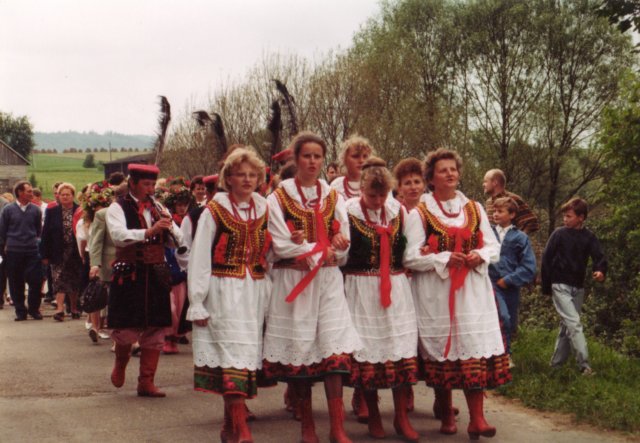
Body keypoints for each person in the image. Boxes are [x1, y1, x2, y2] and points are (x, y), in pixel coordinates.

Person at [404, 148, 510, 439]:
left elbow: (493, 246)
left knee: (473, 348)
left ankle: (478, 419)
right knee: (444, 351)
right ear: (431, 178)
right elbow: (410, 257)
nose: (450, 174)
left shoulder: (473, 208)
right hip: (437, 293)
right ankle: (446, 413)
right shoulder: (420, 213)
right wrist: (443, 258)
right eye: (443, 170)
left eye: (453, 169)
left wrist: (479, 255)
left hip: (473, 293)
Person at [263, 131, 362, 443]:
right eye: (306, 156)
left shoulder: (333, 197)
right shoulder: (278, 198)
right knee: (302, 352)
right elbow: (280, 244)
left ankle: (337, 427)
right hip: (295, 282)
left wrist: (339, 245)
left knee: (335, 351)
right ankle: (307, 425)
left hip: (328, 281)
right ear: (296, 158)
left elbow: (344, 242)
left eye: (317, 156)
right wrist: (321, 250)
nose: (312, 161)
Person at [187, 147, 271, 443]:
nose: (247, 180)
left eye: (252, 175)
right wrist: (197, 300)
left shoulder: (264, 207)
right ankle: (242, 430)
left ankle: (229, 425)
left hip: (253, 291)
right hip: (223, 290)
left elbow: (273, 247)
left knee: (243, 356)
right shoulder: (215, 209)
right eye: (240, 174)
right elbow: (200, 256)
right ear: (229, 178)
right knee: (231, 354)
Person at [343, 157, 419, 440]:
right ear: (361, 189)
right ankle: (373, 415)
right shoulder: (348, 212)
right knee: (368, 350)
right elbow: (341, 254)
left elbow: (410, 250)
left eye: (382, 195)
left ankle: (401, 417)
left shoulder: (398, 210)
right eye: (372, 195)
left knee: (400, 347)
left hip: (396, 286)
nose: (377, 201)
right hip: (361, 288)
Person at [106, 163, 183, 398]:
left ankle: (146, 382)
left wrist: (170, 229)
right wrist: (149, 232)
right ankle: (121, 364)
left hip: (156, 273)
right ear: (132, 184)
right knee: (126, 329)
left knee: (156, 327)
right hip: (130, 274)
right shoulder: (118, 207)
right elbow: (118, 236)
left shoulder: (158, 208)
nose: (151, 189)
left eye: (153, 185)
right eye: (146, 184)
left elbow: (177, 239)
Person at [542, 197, 607, 376]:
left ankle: (556, 365)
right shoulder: (558, 234)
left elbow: (599, 257)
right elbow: (546, 259)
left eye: (569, 216)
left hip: (578, 287)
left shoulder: (589, 237)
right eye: (564, 216)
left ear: (581, 217)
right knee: (574, 323)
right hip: (559, 284)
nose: (565, 219)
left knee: (567, 326)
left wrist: (600, 271)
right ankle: (585, 366)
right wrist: (546, 287)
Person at [488, 197, 536, 366]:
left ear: (512, 214)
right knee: (502, 317)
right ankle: (504, 357)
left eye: (500, 211)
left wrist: (509, 280)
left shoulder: (520, 237)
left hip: (510, 286)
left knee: (510, 323)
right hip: (490, 283)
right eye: (494, 211)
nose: (495, 214)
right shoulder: (487, 233)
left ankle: (500, 356)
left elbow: (529, 267)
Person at [0, 181, 43, 320]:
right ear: (20, 192)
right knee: (15, 281)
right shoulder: (8, 210)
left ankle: (34, 309)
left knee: (35, 281)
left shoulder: (36, 210)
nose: (32, 193)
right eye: (29, 191)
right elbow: (2, 230)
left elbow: (38, 230)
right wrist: (5, 246)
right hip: (14, 251)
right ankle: (20, 311)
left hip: (32, 251)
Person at [41, 183, 84, 321]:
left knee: (74, 281)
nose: (65, 197)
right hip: (58, 252)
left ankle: (74, 308)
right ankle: (60, 310)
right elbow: (45, 233)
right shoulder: (52, 211)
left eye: (68, 194)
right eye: (62, 194)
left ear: (73, 195)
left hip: (76, 252)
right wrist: (44, 254)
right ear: (58, 196)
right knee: (58, 280)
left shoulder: (80, 211)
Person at [161, 185, 194, 354]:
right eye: (179, 204)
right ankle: (166, 337)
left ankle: (174, 338)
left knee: (180, 307)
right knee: (170, 308)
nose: (182, 208)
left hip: (181, 269)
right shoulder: (166, 220)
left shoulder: (188, 220)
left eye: (184, 204)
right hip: (167, 265)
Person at [86, 181, 116, 343]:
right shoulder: (102, 214)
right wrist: (95, 264)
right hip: (108, 263)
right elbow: (96, 242)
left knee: (117, 300)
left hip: (131, 262)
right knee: (101, 296)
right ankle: (97, 328)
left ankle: (116, 335)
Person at [483, 169, 539, 235]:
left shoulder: (512, 199)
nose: (483, 184)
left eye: (485, 181)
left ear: (495, 182)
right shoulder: (488, 202)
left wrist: (518, 238)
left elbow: (532, 222)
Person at [330, 136, 373, 200]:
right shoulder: (336, 186)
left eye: (365, 156)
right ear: (344, 159)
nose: (361, 160)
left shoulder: (375, 184)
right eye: (355, 156)